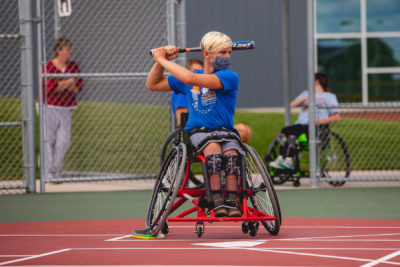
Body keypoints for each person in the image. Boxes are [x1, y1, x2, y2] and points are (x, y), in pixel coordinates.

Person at [146, 31, 243, 217]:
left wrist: (163, 59)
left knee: (231, 154)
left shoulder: (229, 76)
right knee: (213, 150)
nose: (227, 57)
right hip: (200, 132)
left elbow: (190, 79)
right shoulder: (189, 77)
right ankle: (217, 200)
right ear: (207, 54)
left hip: (226, 131)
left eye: (229, 53)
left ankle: (233, 201)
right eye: (222, 53)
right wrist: (160, 60)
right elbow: (153, 84)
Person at [269, 72, 340, 170]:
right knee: (285, 131)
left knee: (295, 135)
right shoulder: (306, 94)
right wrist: (306, 98)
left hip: (317, 126)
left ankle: (289, 159)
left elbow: (336, 117)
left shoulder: (329, 96)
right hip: (301, 124)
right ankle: (282, 157)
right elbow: (291, 105)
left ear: (316, 81)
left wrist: (320, 121)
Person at [41, 38, 83, 179]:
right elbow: (51, 87)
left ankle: (53, 170)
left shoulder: (73, 66)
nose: (70, 52)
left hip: (66, 108)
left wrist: (62, 83)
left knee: (64, 140)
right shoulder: (48, 67)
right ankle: (47, 172)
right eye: (67, 49)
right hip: (49, 106)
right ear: (59, 51)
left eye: (70, 49)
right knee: (49, 140)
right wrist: (69, 82)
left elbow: (78, 87)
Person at [171, 58, 204, 127]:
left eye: (201, 72)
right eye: (195, 71)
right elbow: (181, 121)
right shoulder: (183, 89)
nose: (198, 74)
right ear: (188, 72)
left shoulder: (200, 89)